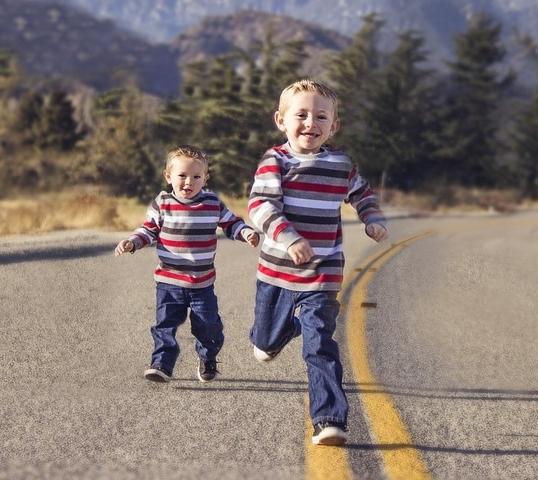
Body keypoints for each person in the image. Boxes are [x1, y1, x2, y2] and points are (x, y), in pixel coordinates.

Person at [248, 79, 388, 446]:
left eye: (320, 116)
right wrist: (289, 238)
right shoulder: (274, 161)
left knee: (321, 343)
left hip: (322, 274)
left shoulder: (340, 164)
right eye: (302, 115)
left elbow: (362, 193)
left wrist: (372, 218)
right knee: (263, 344)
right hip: (276, 272)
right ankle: (277, 333)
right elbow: (260, 207)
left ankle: (329, 420)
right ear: (281, 120)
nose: (311, 123)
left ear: (333, 126)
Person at [115, 145, 259, 383]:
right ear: (168, 176)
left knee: (208, 326)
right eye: (181, 176)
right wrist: (132, 242)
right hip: (169, 281)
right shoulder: (162, 203)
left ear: (205, 178)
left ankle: (208, 356)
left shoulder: (212, 203)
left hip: (202, 283)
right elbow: (149, 230)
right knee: (164, 325)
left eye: (196, 177)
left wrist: (245, 233)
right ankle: (161, 364)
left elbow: (232, 223)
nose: (188, 182)